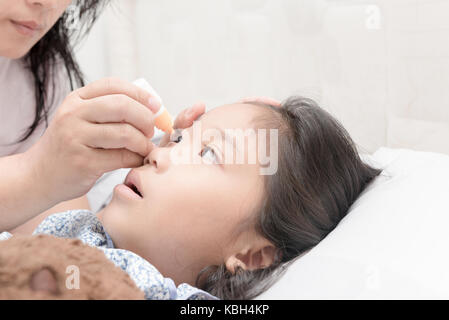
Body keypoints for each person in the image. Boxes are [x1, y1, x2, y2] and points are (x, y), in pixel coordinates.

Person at [3, 97, 383, 299]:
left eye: (209, 154)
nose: (159, 153)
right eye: (181, 139)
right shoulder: (81, 230)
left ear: (251, 256)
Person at [0, 0, 205, 234]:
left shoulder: (39, 71)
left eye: (208, 153)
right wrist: (39, 171)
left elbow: (62, 239)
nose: (47, 3)